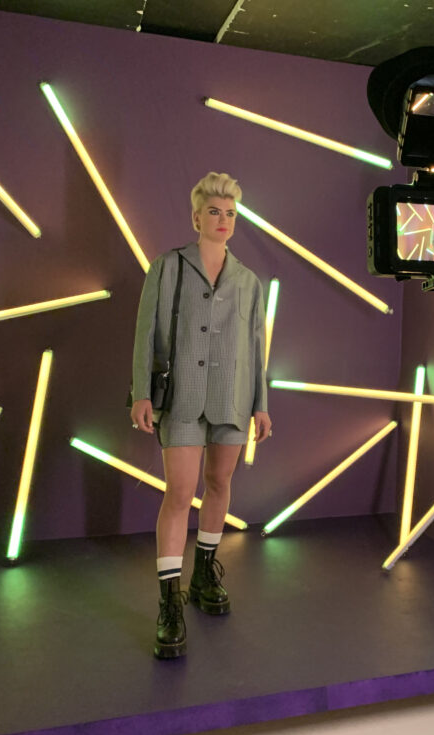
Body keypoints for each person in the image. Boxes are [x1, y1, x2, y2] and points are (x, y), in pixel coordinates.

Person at [130, 171, 271, 660]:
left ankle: (205, 574)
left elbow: (257, 349)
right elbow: (146, 334)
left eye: (230, 213)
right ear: (196, 217)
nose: (223, 220)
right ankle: (170, 604)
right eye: (215, 211)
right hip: (182, 398)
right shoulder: (168, 267)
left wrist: (260, 403)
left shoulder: (250, 282)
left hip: (233, 400)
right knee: (178, 492)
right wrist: (140, 393)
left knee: (220, 484)